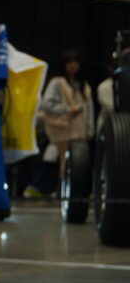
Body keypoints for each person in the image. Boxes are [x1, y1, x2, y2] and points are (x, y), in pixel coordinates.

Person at [37, 50, 93, 185]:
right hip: (62, 132)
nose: (73, 66)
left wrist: (90, 130)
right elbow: (46, 104)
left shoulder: (84, 86)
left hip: (79, 133)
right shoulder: (57, 82)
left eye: (75, 62)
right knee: (59, 164)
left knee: (76, 168)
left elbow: (89, 110)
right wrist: (67, 109)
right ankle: (44, 189)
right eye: (69, 62)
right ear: (64, 65)